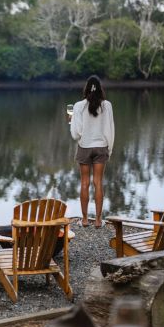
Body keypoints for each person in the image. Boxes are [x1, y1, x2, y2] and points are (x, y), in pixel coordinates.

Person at [70, 75, 115, 228]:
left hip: (84, 147)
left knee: (84, 183)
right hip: (101, 147)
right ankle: (97, 220)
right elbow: (110, 129)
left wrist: (70, 121)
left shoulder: (78, 106)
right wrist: (109, 148)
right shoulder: (107, 105)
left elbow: (75, 133)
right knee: (98, 183)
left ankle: (84, 220)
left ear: (86, 88)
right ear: (100, 88)